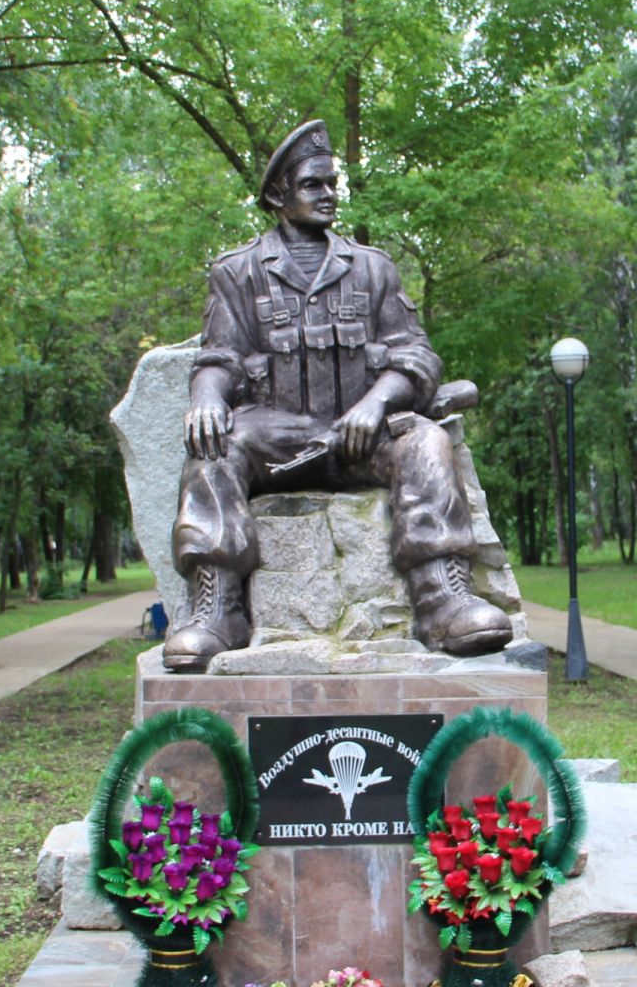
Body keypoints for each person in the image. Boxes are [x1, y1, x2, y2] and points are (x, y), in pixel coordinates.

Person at [164, 119, 513, 671]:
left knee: (423, 441)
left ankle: (442, 598)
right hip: (279, 441)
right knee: (212, 449)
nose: (328, 195)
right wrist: (206, 396)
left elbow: (415, 355)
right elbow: (220, 358)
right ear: (278, 195)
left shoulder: (372, 268)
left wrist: (376, 404)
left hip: (361, 437)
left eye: (332, 184)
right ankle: (217, 608)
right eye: (312, 185)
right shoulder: (238, 272)